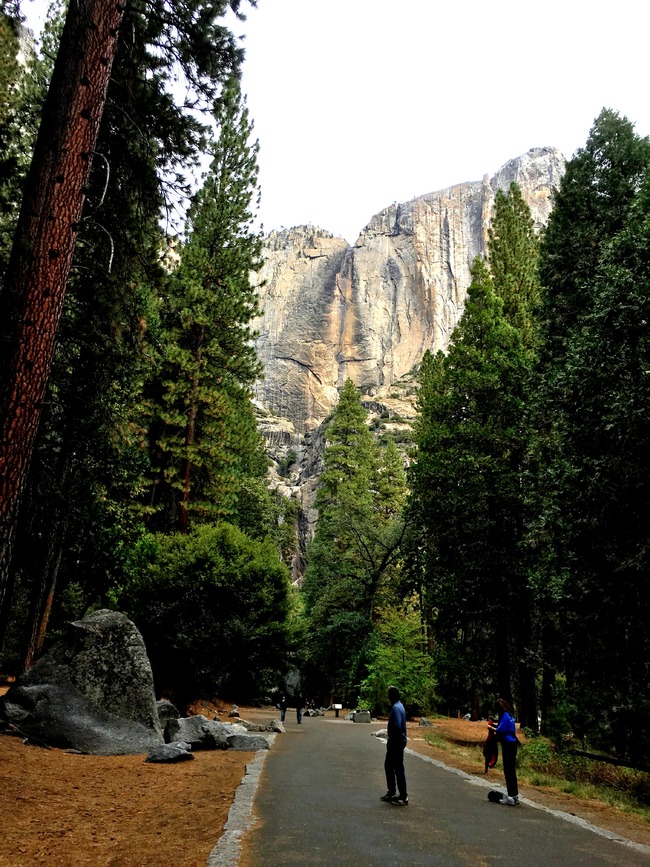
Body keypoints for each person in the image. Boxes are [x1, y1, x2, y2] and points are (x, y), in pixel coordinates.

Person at [380, 685, 408, 806]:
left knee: (394, 767)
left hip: (396, 741)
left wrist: (391, 736)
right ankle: (395, 793)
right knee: (394, 767)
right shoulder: (399, 706)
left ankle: (401, 794)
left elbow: (397, 725)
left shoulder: (396, 708)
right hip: (399, 740)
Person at [489, 697, 519, 805]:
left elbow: (501, 729)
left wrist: (491, 727)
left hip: (507, 744)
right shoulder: (510, 715)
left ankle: (510, 796)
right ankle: (515, 795)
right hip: (513, 743)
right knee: (512, 769)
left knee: (508, 769)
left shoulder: (504, 716)